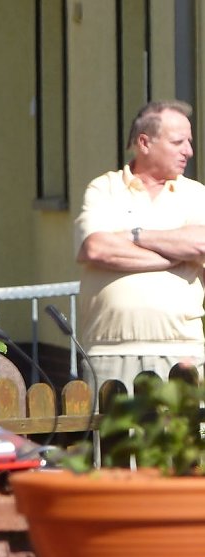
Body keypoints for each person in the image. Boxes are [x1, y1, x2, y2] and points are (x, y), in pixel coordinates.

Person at [74, 100, 205, 393]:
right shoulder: (104, 189)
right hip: (108, 353)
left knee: (182, 440)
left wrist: (134, 235)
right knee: (115, 440)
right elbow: (95, 248)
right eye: (178, 142)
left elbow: (200, 244)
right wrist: (170, 257)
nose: (189, 151)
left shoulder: (196, 195)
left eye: (189, 142)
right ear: (144, 143)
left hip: (181, 352)